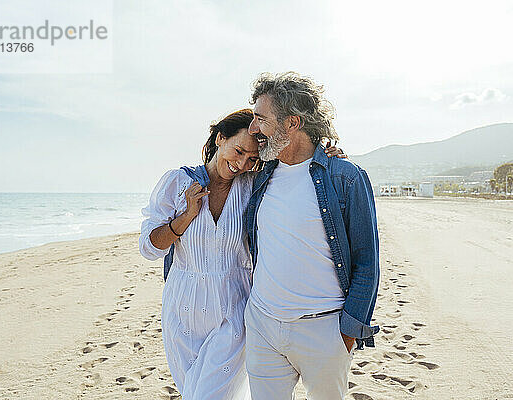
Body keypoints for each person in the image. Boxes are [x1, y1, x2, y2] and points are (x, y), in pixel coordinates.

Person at [139, 108, 344, 400]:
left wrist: (325, 160)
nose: (242, 164)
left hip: (233, 307)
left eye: (252, 159)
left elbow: (296, 179)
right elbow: (149, 247)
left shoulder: (252, 187)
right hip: (181, 312)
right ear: (220, 139)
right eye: (238, 151)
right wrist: (184, 218)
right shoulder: (177, 183)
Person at [244, 72, 380, 400]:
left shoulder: (345, 178)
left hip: (324, 331)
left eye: (260, 119)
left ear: (292, 123)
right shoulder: (259, 177)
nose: (253, 130)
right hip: (262, 325)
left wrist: (348, 332)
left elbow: (367, 262)